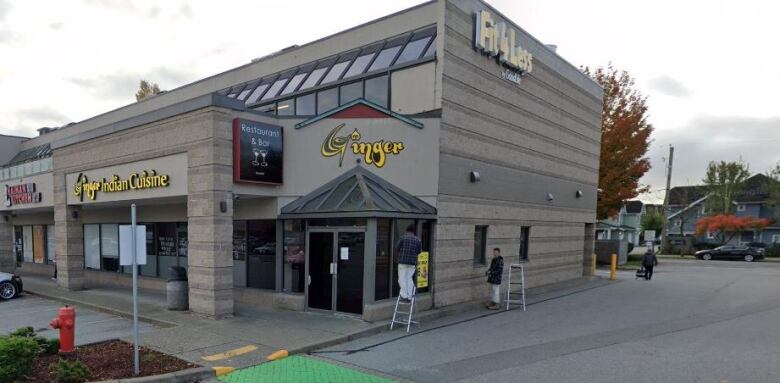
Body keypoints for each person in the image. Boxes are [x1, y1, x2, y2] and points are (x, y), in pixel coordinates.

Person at [396, 225, 422, 302]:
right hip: (412, 263)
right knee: (409, 278)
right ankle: (410, 296)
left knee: (402, 279)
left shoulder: (402, 238)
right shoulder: (418, 240)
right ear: (413, 232)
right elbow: (419, 251)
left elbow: (397, 248)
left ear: (407, 231)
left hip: (403, 262)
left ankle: (404, 296)